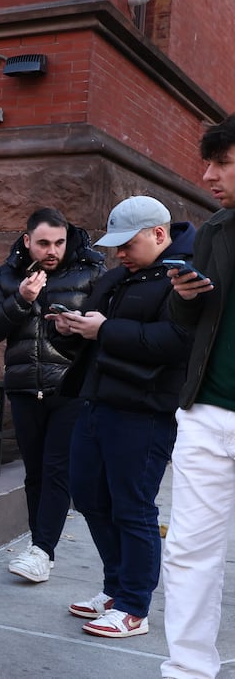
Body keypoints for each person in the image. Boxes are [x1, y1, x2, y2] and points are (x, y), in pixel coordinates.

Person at [51, 195, 192, 639]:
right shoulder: (117, 278)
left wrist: (104, 329)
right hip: (96, 402)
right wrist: (73, 330)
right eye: (115, 246)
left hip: (145, 411)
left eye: (127, 244)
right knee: (90, 497)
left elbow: (177, 341)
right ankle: (115, 589)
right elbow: (100, 342)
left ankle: (134, 606)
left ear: (158, 234)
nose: (119, 253)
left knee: (132, 508)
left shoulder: (184, 278)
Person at [0, 208, 104, 583]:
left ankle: (42, 549)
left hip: (70, 387)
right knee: (35, 473)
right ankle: (40, 549)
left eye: (59, 242)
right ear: (28, 240)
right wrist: (20, 298)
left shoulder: (91, 271)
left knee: (56, 469)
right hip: (23, 388)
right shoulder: (8, 275)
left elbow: (105, 332)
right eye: (44, 243)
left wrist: (75, 329)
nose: (53, 250)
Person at [162, 114, 235, 679]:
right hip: (206, 412)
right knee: (188, 552)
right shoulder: (213, 231)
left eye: (223, 163)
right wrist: (184, 295)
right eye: (209, 162)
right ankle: (187, 671)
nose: (208, 175)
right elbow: (188, 319)